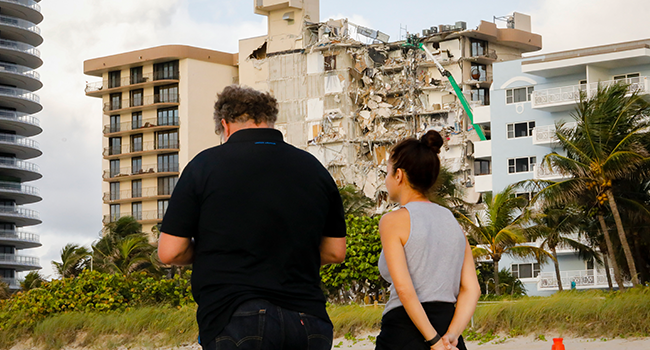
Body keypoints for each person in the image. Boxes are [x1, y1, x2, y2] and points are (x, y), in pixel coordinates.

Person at [157, 85, 347, 350]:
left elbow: (170, 252)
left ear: (225, 125)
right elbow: (336, 252)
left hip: (235, 316)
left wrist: (213, 251)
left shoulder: (204, 166)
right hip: (309, 319)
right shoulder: (313, 168)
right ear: (269, 121)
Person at [375, 130, 481, 350]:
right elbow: (472, 289)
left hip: (404, 332)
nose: (386, 180)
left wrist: (432, 340)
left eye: (387, 172)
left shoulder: (392, 221)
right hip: (448, 331)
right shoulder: (453, 222)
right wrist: (450, 337)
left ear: (399, 175)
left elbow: (405, 290)